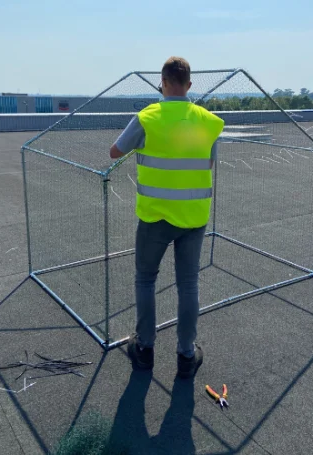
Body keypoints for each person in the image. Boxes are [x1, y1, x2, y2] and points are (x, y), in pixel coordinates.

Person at [110, 57, 224, 378]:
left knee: (146, 279)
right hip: (193, 217)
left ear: (162, 83)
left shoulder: (148, 117)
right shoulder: (207, 121)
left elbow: (115, 151)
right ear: (189, 85)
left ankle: (145, 348)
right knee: (188, 284)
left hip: (155, 217)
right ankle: (186, 355)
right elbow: (209, 164)